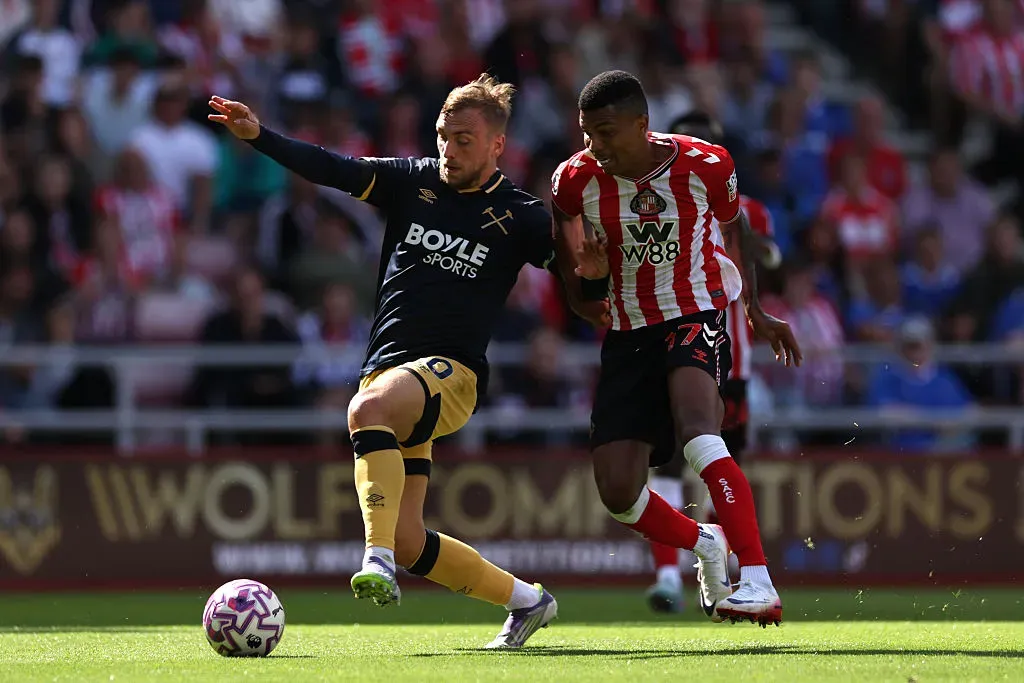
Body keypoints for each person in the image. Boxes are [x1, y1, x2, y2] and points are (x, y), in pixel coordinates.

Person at [208, 75, 609, 648]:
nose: (449, 149)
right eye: (444, 135)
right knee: (411, 540)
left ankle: (374, 562)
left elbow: (581, 292)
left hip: (452, 375)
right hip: (392, 371)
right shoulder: (412, 181)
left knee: (366, 408)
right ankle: (527, 601)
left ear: (498, 145)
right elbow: (332, 167)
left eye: (464, 139)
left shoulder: (520, 216)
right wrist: (258, 136)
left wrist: (593, 273)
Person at [550, 71, 801, 627]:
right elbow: (570, 266)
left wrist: (755, 311)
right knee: (618, 491)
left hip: (693, 313)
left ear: (643, 124)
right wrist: (588, 286)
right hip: (628, 332)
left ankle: (757, 578)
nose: (597, 146)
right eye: (588, 133)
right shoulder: (574, 180)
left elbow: (736, 236)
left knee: (697, 431)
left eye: (608, 132)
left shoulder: (707, 166)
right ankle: (703, 542)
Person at [641, 111, 783, 613]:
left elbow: (768, 264)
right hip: (675, 347)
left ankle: (720, 570)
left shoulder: (747, 211)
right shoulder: (653, 204)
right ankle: (667, 577)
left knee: (718, 468)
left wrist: (761, 267)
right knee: (672, 462)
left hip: (731, 360)